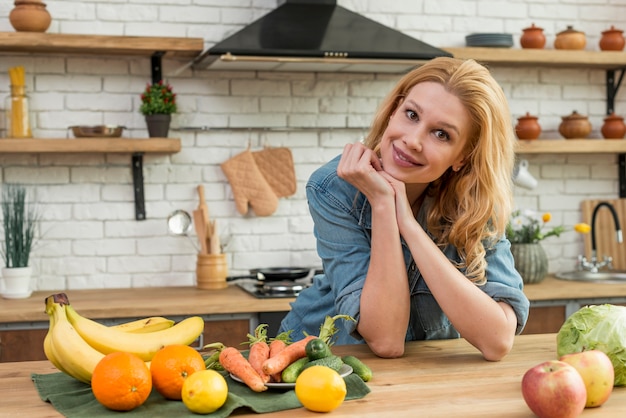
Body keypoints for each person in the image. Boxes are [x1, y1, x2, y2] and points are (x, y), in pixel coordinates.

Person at [278, 57, 530, 361]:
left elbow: (498, 341)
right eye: (411, 114)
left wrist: (409, 225)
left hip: (417, 376)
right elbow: (386, 341)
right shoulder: (334, 188)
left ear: (462, 156)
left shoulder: (475, 203)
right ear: (394, 111)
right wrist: (383, 203)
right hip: (315, 359)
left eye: (441, 134)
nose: (412, 140)